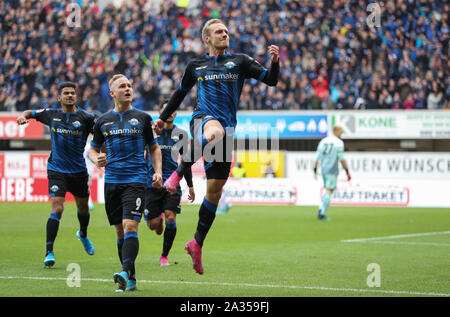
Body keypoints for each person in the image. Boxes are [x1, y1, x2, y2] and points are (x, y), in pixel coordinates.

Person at [153, 18, 279, 274]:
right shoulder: (196, 65)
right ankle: (175, 176)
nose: (225, 33)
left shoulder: (241, 61)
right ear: (206, 38)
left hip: (227, 131)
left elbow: (271, 80)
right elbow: (179, 93)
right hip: (203, 120)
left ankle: (197, 244)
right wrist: (164, 117)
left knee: (215, 191)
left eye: (226, 31)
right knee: (215, 131)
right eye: (219, 31)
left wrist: (275, 61)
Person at [89, 74, 163, 292]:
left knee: (131, 226)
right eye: (122, 86)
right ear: (112, 93)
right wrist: (96, 159)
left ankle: (124, 271)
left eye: (130, 85)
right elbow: (93, 149)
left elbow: (154, 148)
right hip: (111, 181)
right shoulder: (102, 121)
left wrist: (157, 171)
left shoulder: (143, 118)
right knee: (120, 232)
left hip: (136, 180)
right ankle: (130, 276)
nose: (127, 89)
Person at [16, 82, 96, 267]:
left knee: (83, 208)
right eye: (66, 93)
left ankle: (83, 234)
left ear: (76, 96)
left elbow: (100, 136)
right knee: (57, 208)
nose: (70, 95)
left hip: (78, 171)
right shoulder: (51, 115)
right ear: (59, 97)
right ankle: (49, 252)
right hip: (56, 169)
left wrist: (102, 152)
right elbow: (30, 113)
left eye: (72, 93)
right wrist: (22, 116)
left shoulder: (86, 117)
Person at [143, 103, 195, 267]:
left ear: (176, 113)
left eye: (172, 110)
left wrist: (190, 185)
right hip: (152, 183)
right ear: (160, 112)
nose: (170, 113)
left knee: (171, 217)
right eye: (167, 110)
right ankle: (157, 221)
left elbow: (185, 162)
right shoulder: (151, 131)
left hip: (172, 183)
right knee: (152, 225)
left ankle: (164, 256)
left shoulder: (180, 134)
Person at [313, 126, 351, 221]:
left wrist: (315, 169)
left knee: (327, 189)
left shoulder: (323, 141)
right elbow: (341, 159)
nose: (341, 134)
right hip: (332, 169)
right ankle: (322, 212)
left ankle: (321, 209)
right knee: (329, 190)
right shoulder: (338, 143)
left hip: (324, 169)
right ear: (336, 131)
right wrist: (347, 171)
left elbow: (317, 156)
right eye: (341, 131)